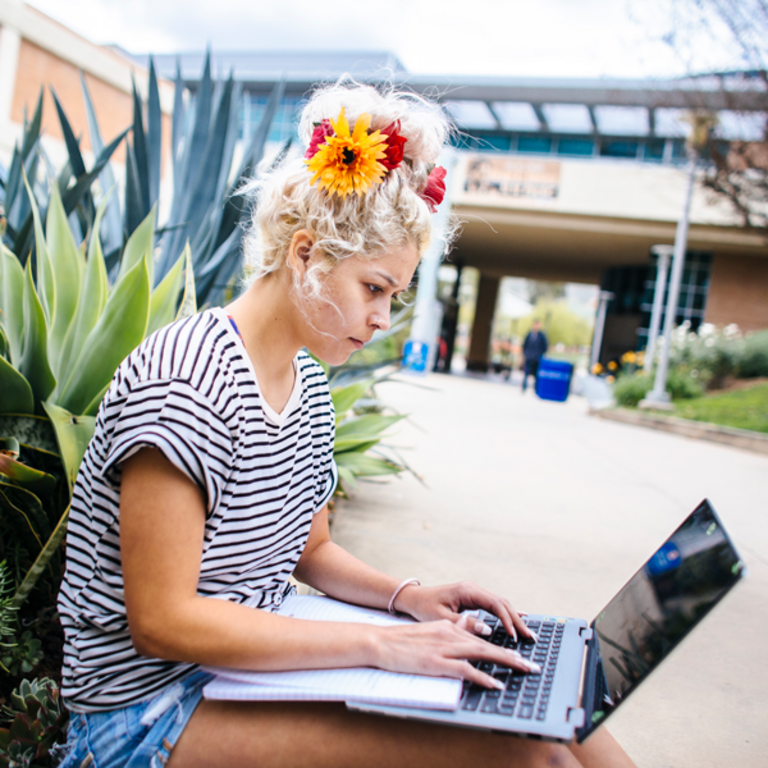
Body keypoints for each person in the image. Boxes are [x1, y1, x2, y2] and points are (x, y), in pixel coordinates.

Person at [56, 82, 635, 768]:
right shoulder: (186, 383)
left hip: (246, 670)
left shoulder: (305, 385)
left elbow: (312, 551)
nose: (384, 320)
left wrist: (409, 599)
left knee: (564, 710)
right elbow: (162, 622)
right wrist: (380, 644)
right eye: (374, 289)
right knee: (527, 758)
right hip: (145, 714)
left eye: (395, 295)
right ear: (305, 254)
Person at [521, 320, 548, 393]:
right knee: (526, 373)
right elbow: (524, 345)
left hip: (537, 358)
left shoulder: (542, 336)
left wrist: (539, 354)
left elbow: (545, 347)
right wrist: (525, 354)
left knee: (536, 374)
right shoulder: (529, 334)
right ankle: (524, 387)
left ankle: (535, 389)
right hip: (528, 357)